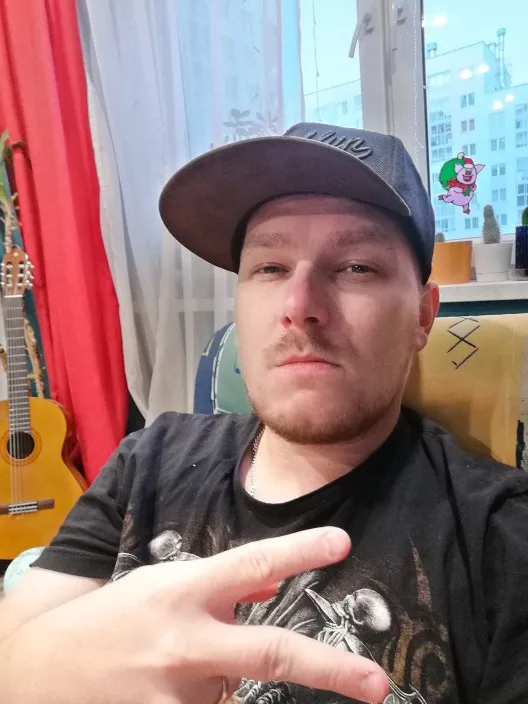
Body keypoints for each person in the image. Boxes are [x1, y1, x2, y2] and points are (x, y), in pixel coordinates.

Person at [1, 122, 527, 704]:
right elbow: (12, 649)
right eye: (269, 268)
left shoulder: (501, 541)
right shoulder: (149, 459)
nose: (299, 306)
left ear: (422, 317)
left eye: (357, 266)